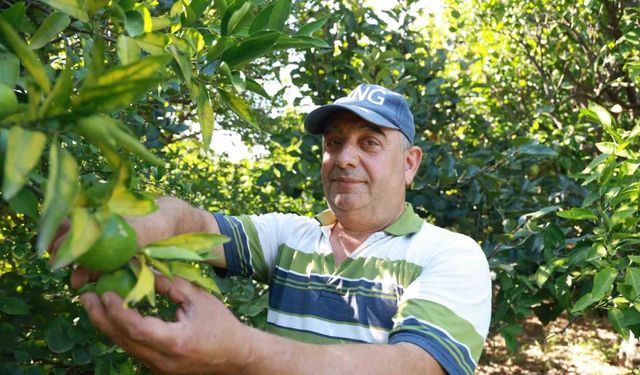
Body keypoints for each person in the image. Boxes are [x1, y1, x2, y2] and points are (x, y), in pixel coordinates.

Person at [59, 84, 492, 374]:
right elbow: (194, 223)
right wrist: (148, 223)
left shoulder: (449, 253)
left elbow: (413, 367)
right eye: (334, 142)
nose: (344, 158)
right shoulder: (292, 236)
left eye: (370, 142)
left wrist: (241, 350)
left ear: (410, 163)